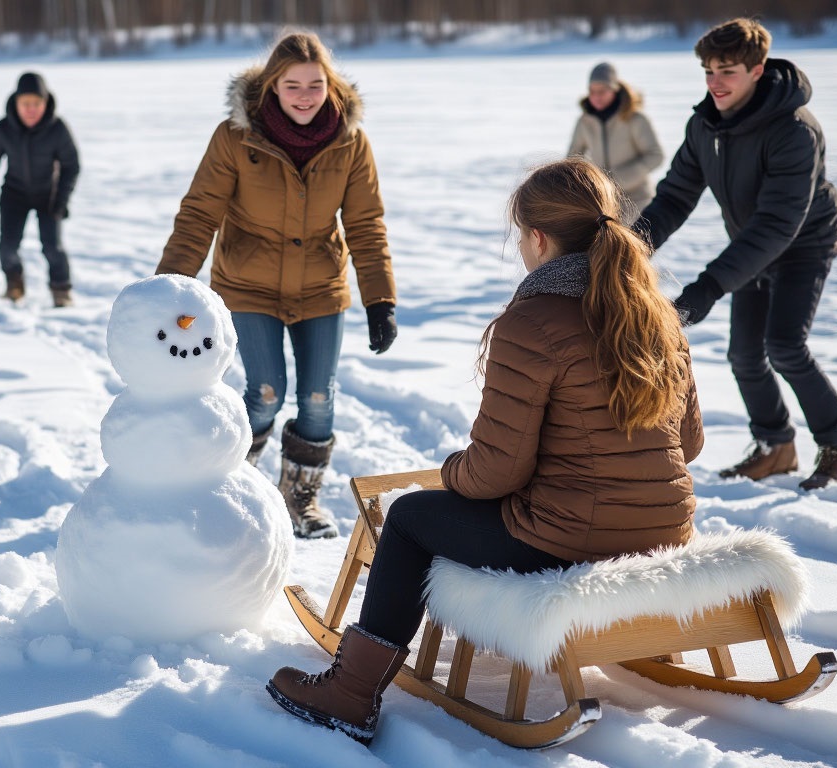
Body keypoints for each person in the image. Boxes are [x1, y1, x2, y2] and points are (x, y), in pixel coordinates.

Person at [267, 158, 702, 743]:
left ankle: (350, 693)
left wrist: (450, 474)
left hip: (569, 540)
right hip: (666, 532)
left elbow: (496, 472)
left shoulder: (533, 321)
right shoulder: (658, 315)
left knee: (409, 518)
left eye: (521, 236)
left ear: (538, 238)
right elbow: (689, 443)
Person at [157, 31, 397, 539]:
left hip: (320, 286)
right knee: (265, 393)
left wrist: (380, 299)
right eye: (293, 85)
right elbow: (200, 212)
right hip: (248, 283)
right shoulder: (235, 137)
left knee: (316, 399)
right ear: (272, 87)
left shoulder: (351, 142)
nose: (306, 95)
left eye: (315, 84)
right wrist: (171, 285)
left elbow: (366, 224)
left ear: (330, 85)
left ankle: (299, 496)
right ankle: (229, 485)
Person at [635, 17, 837, 490]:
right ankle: (775, 446)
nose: (715, 83)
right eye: (708, 71)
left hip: (803, 244)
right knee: (743, 353)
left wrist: (709, 286)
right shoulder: (705, 126)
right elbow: (675, 197)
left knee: (783, 345)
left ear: (757, 70)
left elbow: (779, 224)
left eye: (728, 71)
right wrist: (626, 248)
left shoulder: (795, 131)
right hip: (751, 244)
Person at [0, 71, 81, 307]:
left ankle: (61, 291)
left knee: (53, 247)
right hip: (14, 194)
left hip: (48, 196)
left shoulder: (57, 129)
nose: (31, 109)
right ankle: (14, 284)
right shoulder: (3, 129)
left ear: (45, 103)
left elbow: (71, 166)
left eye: (37, 103)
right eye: (26, 103)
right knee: (8, 247)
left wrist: (62, 200)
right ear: (16, 102)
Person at [567, 61, 665, 219]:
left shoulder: (635, 119)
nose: (596, 96)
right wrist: (586, 183)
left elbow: (655, 156)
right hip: (603, 203)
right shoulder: (585, 121)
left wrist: (619, 179)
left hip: (638, 203)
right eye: (592, 91)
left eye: (602, 91)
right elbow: (573, 158)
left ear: (614, 90)